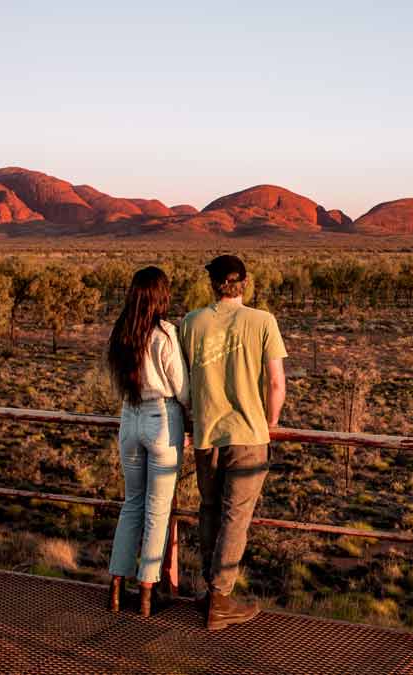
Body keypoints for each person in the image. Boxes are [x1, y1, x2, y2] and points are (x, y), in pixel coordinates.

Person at [180, 254, 286, 630]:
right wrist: (270, 421)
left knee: (209, 511)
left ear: (213, 284)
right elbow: (276, 382)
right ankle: (221, 599)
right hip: (248, 435)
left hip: (207, 435)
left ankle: (211, 594)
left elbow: (184, 383)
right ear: (244, 283)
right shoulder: (263, 321)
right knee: (235, 518)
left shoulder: (191, 322)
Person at [104, 266, 189, 617]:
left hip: (129, 418)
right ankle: (147, 592)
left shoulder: (121, 333)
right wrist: (194, 418)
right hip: (161, 419)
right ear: (160, 296)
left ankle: (116, 586)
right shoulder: (164, 333)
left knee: (132, 504)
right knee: (157, 510)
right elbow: (181, 387)